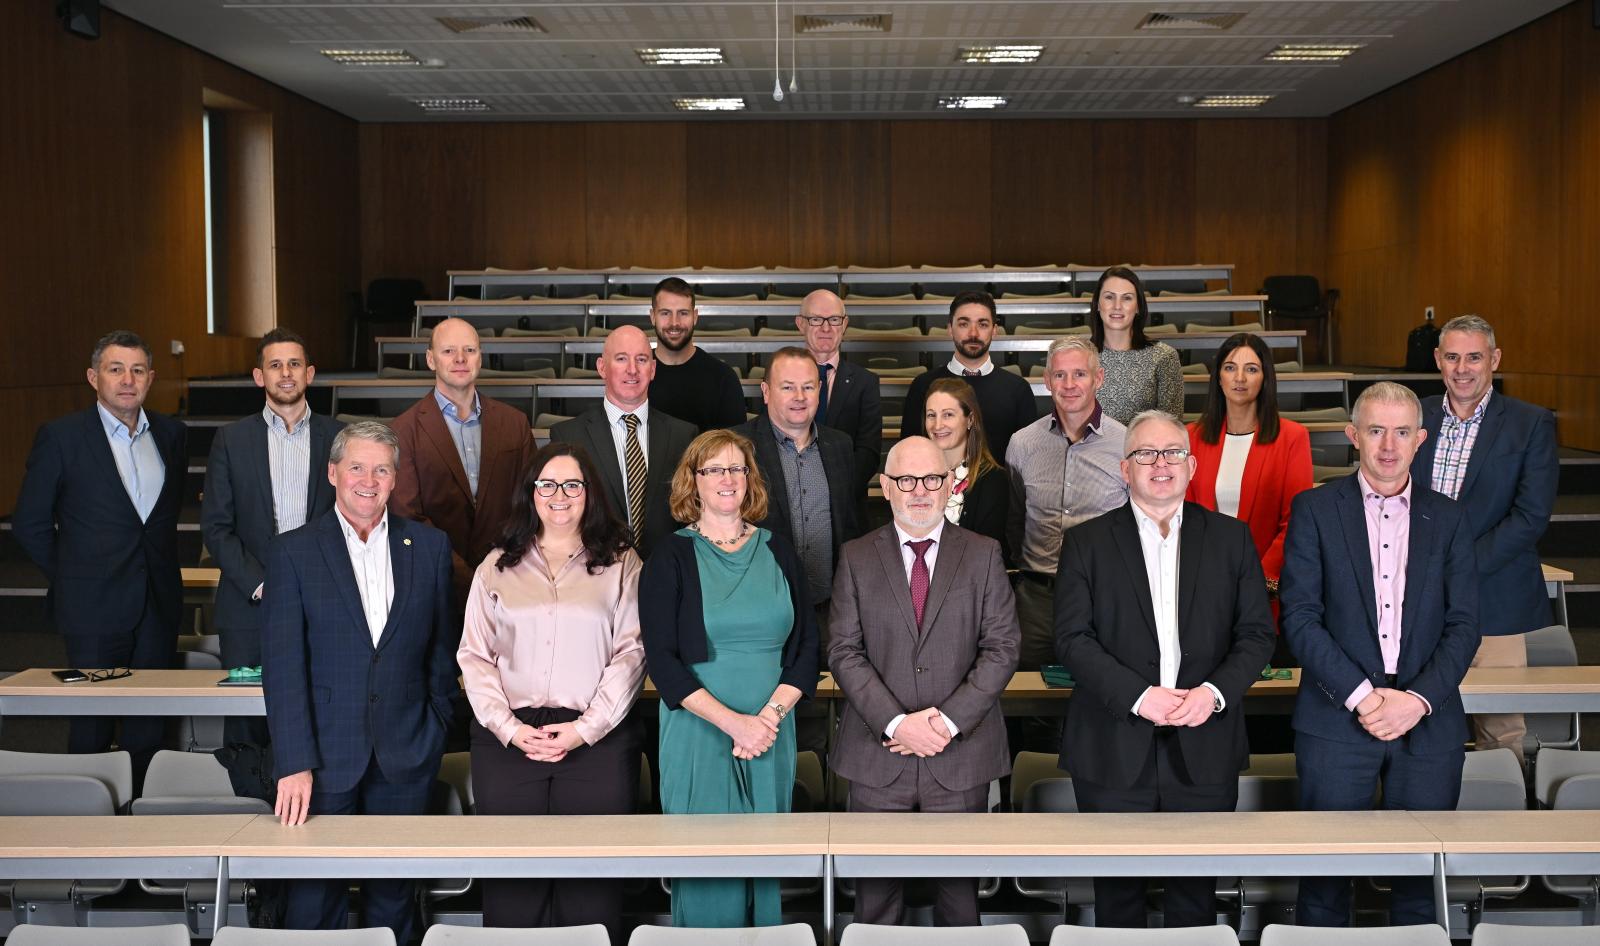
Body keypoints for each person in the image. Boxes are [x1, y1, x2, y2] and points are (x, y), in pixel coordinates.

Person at [1054, 410, 1276, 929]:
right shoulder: (1085, 543)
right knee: (1117, 901)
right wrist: (1138, 696)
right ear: (1124, 468)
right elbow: (1071, 639)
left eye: (1173, 452)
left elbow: (1257, 636)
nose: (1161, 464)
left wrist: (1213, 693)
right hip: (1112, 743)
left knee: (1195, 901)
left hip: (1205, 740)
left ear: (1192, 466)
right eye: (1145, 454)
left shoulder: (1231, 539)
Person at [1281, 382, 1480, 928]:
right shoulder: (1316, 509)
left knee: (1419, 882)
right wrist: (1364, 697)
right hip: (1335, 714)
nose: (1387, 445)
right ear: (1352, 436)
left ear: (1421, 439)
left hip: (1427, 718)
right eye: (1374, 430)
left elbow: (1465, 624)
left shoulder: (1451, 518)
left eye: (1400, 432)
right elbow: (1299, 617)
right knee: (1324, 878)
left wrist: (1415, 700)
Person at [262, 421, 459, 940]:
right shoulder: (293, 552)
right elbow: (282, 670)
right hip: (322, 760)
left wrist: (434, 726)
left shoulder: (431, 547)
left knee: (394, 897)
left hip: (407, 751)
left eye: (381, 469)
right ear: (332, 473)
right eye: (356, 467)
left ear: (395, 479)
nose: (368, 479)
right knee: (313, 901)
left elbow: (441, 653)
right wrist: (294, 763)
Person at [828, 436, 1020, 927]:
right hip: (878, 755)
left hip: (959, 754)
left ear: (951, 484)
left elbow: (1002, 649)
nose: (919, 491)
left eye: (932, 479)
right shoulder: (855, 556)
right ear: (886, 487)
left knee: (960, 900)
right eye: (906, 480)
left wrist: (945, 724)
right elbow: (844, 651)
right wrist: (896, 723)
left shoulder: (983, 553)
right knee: (875, 903)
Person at [457, 442, 645, 942]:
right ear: (531, 493)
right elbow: (474, 657)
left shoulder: (622, 564)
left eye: (572, 485)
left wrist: (585, 730)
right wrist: (510, 729)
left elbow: (632, 653)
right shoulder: (496, 566)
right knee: (514, 885)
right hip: (509, 741)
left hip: (596, 741)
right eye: (547, 484)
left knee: (592, 887)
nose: (559, 495)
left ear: (590, 495)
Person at [639, 429, 819, 928]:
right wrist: (735, 724)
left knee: (764, 866)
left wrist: (766, 719)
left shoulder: (779, 550)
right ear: (693, 481)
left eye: (735, 468)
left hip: (770, 733)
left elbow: (806, 649)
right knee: (706, 870)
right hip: (700, 733)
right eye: (713, 469)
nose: (726, 478)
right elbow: (663, 663)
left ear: (749, 479)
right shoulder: (670, 556)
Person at [13, 330, 186, 788]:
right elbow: (30, 524)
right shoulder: (62, 437)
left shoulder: (172, 434)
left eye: (137, 370)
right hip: (92, 607)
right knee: (92, 723)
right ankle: (89, 823)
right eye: (115, 369)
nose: (127, 380)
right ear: (94, 377)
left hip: (157, 604)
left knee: (150, 721)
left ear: (151, 377)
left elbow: (159, 523)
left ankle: (143, 814)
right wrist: (74, 577)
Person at [1412, 315, 1558, 762]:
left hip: (1496, 598)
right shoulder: (1413, 415)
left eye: (1474, 356)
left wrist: (1458, 565)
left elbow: (1530, 516)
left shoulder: (1529, 424)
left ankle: (1502, 822)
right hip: (1417, 599)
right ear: (1438, 360)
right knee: (1421, 718)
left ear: (1494, 359)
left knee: (1501, 728)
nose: (1462, 368)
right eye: (1452, 356)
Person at [202, 328, 343, 752]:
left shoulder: (340, 438)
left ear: (310, 373)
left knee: (323, 712)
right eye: (275, 365)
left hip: (323, 603)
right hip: (248, 605)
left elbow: (352, 520)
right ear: (258, 376)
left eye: (295, 364)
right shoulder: (230, 439)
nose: (286, 373)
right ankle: (248, 808)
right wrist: (263, 584)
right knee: (247, 726)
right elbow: (216, 527)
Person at [391, 316, 536, 617]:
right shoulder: (404, 430)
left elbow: (531, 501)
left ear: (480, 357)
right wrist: (470, 581)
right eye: (448, 351)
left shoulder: (514, 423)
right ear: (430, 359)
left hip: (508, 584)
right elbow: (407, 515)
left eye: (469, 350)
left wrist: (501, 567)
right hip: (436, 586)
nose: (460, 359)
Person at [1006, 335, 1129, 671]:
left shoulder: (1127, 443)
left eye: (1080, 374)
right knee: (1029, 697)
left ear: (1098, 378)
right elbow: (1016, 518)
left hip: (1103, 595)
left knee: (1101, 691)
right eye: (1060, 375)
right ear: (1047, 381)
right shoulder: (1022, 443)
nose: (1069, 384)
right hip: (1036, 598)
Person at [1186, 332, 1313, 655]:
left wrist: (1257, 580)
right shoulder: (1192, 437)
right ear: (1218, 377)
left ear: (1266, 377)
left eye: (1251, 369)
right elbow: (1182, 515)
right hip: (1202, 589)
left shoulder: (1291, 438)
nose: (1239, 378)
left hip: (1264, 591)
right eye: (1230, 368)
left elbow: (1296, 521)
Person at [736, 347, 862, 651]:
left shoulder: (840, 445)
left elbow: (852, 524)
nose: (799, 396)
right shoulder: (736, 445)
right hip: (760, 609)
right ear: (765, 391)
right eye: (788, 387)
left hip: (830, 609)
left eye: (808, 387)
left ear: (819, 391)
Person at [551, 325, 697, 560]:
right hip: (594, 572)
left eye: (641, 359)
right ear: (601, 367)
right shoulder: (568, 436)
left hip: (667, 574)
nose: (632, 370)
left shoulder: (684, 435)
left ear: (653, 369)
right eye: (621, 359)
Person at [899, 290, 1038, 459]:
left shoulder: (1018, 389)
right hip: (937, 485)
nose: (973, 333)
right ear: (950, 329)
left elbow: (1030, 457)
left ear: (994, 330)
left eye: (983, 324)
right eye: (964, 324)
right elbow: (908, 453)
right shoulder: (923, 385)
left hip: (1001, 485)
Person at [797, 289, 881, 504]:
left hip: (847, 503)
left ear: (844, 325)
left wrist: (836, 493)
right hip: (791, 499)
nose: (826, 328)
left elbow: (868, 451)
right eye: (816, 319)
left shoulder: (865, 382)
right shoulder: (781, 377)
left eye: (834, 319)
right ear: (800, 324)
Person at [646, 276, 747, 432]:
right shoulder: (636, 374)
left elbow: (735, 449)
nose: (674, 323)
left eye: (683, 313)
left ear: (695, 317)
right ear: (653, 317)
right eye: (665, 313)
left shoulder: (723, 378)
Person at [923, 377, 1009, 556]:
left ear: (970, 420)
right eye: (931, 415)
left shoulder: (994, 481)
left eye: (948, 414)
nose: (937, 425)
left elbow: (987, 555)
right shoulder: (914, 476)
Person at [1088, 266, 1184, 425]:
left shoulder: (1164, 357)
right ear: (1097, 304)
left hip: (1144, 449)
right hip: (1088, 449)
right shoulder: (1079, 355)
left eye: (1127, 298)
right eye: (1109, 297)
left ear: (1138, 306)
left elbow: (1172, 427)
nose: (1117, 306)